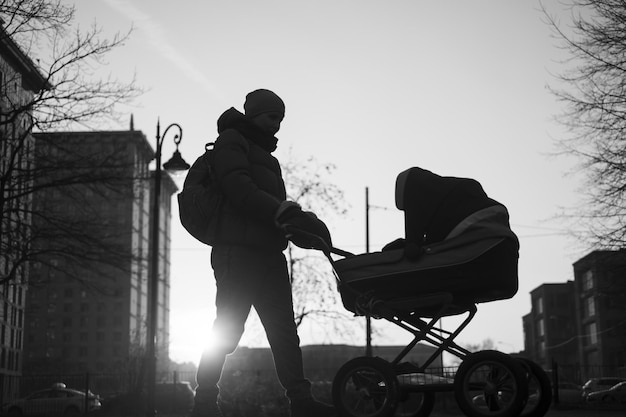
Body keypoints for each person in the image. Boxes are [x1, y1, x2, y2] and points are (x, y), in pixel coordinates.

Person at [192, 89, 335, 417]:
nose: (277, 126)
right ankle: (203, 402)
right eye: (273, 117)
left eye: (281, 120)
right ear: (254, 114)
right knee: (228, 331)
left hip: (269, 255)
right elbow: (238, 188)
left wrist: (298, 225)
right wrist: (280, 210)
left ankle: (301, 401)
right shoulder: (231, 141)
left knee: (285, 332)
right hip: (237, 254)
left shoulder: (268, 159)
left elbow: (271, 211)